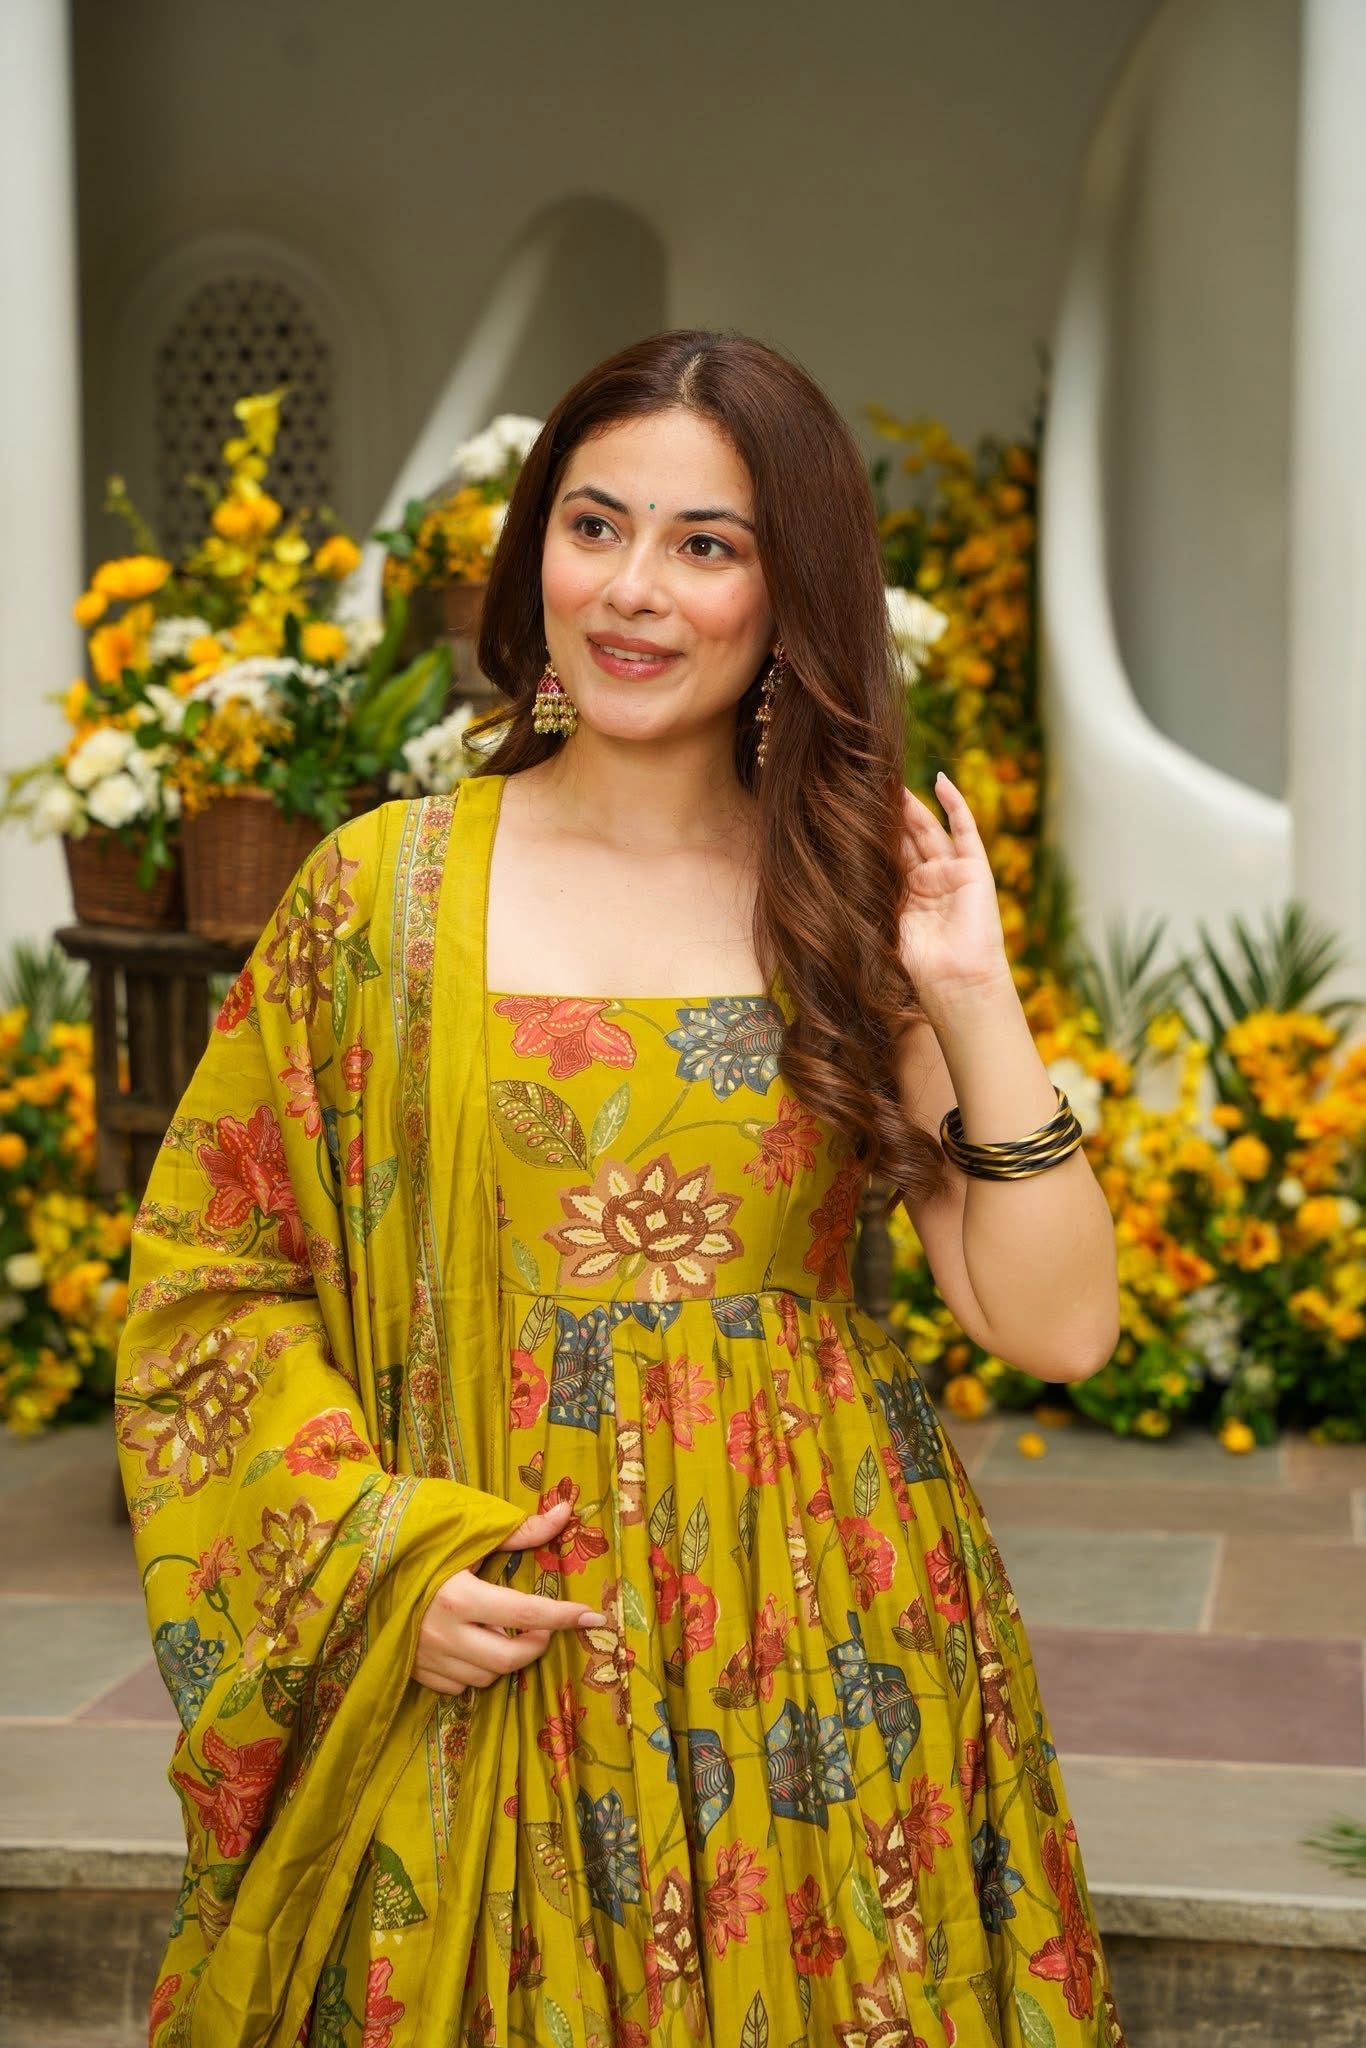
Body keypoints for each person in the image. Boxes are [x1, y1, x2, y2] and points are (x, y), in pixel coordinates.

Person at [116, 328, 1127, 2048]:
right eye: (595, 527)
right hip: (491, 1629)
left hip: (815, 1632)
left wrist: (966, 991)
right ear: (536, 554)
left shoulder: (840, 904)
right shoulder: (379, 899)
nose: (633, 591)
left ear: (789, 593)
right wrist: (374, 1566)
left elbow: (1057, 1327)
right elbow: (215, 1278)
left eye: (705, 544)